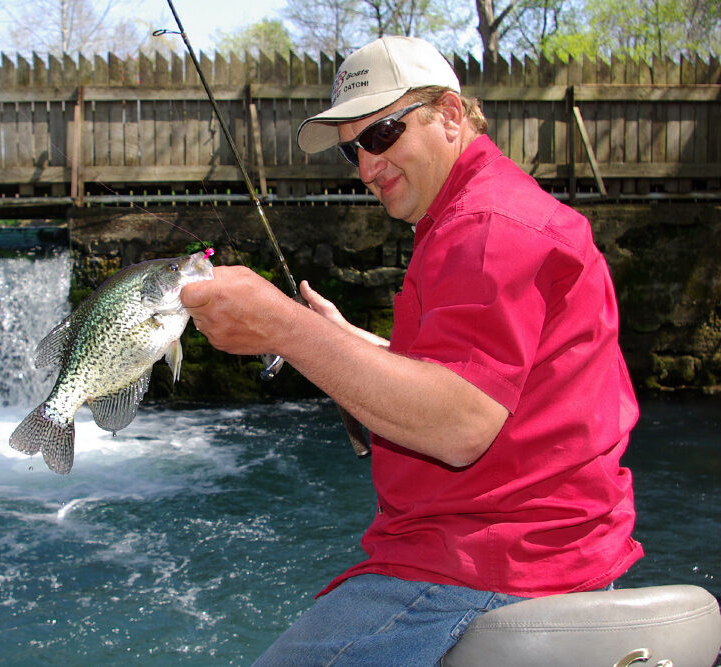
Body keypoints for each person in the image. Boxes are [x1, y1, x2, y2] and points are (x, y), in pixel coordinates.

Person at [179, 35, 643, 665]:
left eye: (382, 135)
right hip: (540, 555)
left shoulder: (485, 226)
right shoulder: (485, 214)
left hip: (483, 569)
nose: (367, 166)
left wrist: (287, 328)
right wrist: (346, 346)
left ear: (451, 115)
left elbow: (460, 425)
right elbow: (492, 382)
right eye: (352, 151)